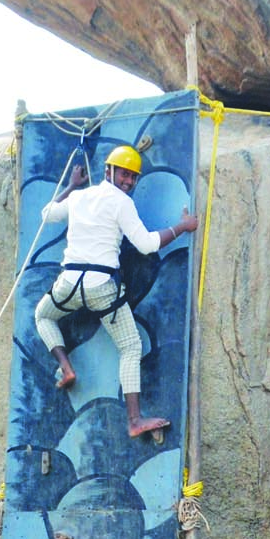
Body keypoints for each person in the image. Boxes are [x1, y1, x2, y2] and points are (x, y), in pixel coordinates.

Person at [35, 145, 199, 439]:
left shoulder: (79, 196)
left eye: (132, 178)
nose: (128, 182)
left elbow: (47, 213)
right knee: (131, 347)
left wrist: (72, 186)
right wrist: (182, 227)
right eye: (124, 174)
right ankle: (134, 420)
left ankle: (66, 367)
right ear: (109, 171)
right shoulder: (121, 203)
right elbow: (147, 244)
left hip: (69, 282)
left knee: (43, 316)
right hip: (101, 287)